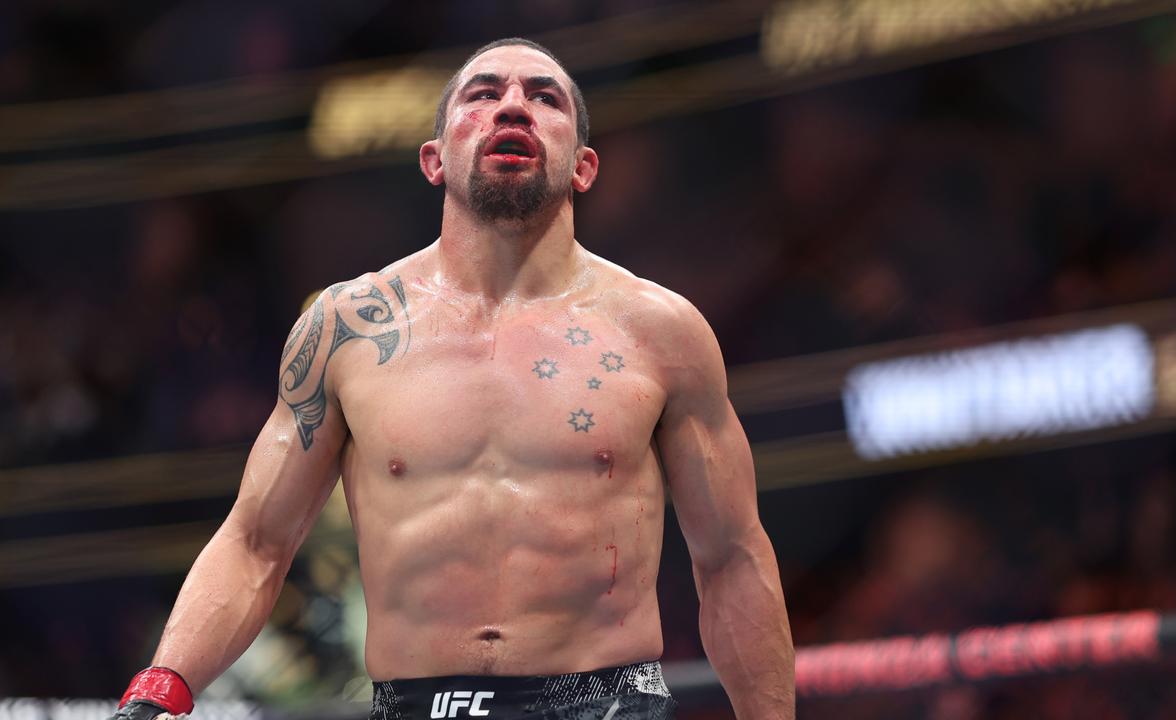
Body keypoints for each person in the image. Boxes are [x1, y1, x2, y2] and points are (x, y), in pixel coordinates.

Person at [110, 38, 794, 720]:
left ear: (584, 168)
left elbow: (731, 558)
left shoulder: (660, 331)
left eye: (545, 97)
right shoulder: (347, 329)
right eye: (483, 93)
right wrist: (159, 689)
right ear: (433, 160)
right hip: (416, 706)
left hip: (605, 703)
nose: (514, 107)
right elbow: (256, 540)